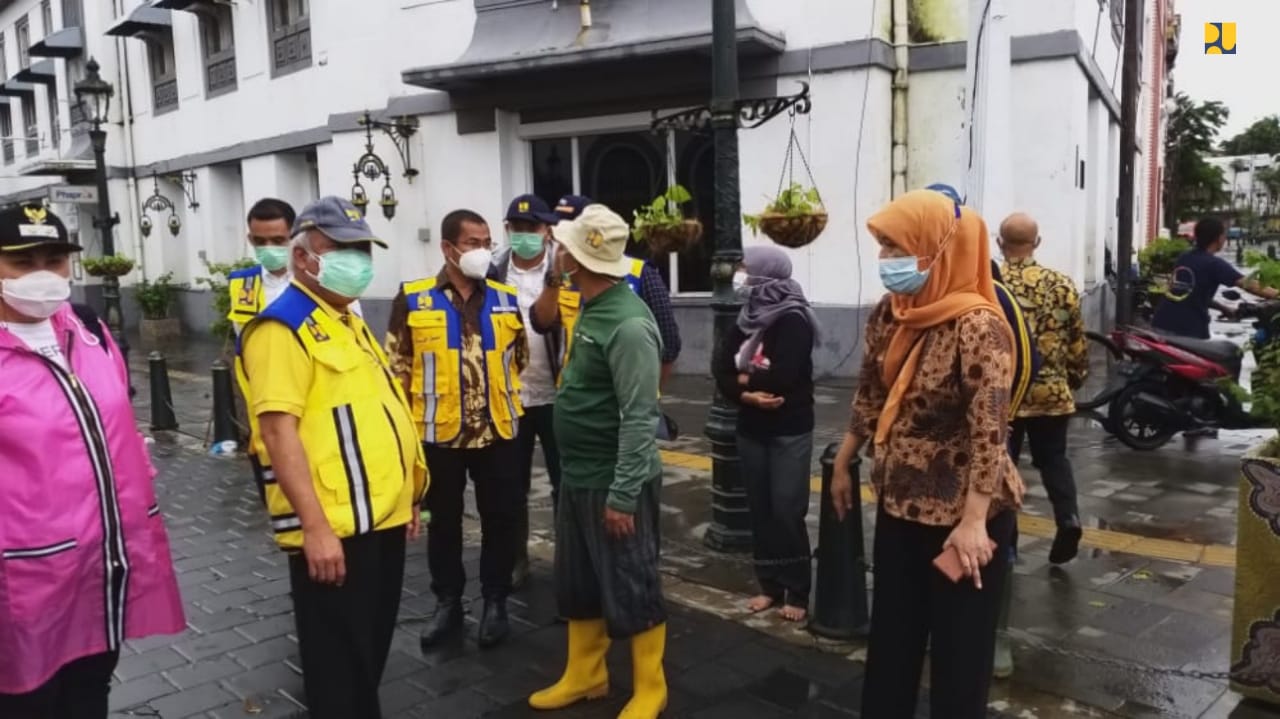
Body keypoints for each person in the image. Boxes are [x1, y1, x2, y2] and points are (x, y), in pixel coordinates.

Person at [830, 190, 1024, 718]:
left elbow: (990, 430)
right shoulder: (892, 313)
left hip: (963, 520)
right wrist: (845, 461)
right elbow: (870, 393)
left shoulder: (978, 326)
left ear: (937, 248)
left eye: (897, 247)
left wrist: (974, 521)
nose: (885, 259)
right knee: (892, 644)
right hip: (900, 504)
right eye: (884, 246)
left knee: (960, 660)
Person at [237, 196, 426, 718]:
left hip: (379, 518)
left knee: (367, 655)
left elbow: (376, 411)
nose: (357, 261)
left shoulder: (345, 319)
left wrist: (410, 494)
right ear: (303, 258)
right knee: (338, 667)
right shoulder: (282, 327)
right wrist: (315, 528)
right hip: (336, 527)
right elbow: (277, 433)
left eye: (363, 249)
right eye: (342, 249)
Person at [0, 204, 185, 718]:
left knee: (89, 693)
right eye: (23, 262)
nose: (42, 274)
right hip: (23, 582)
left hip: (100, 566)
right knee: (29, 702)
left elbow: (118, 424)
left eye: (54, 260)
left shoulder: (88, 329)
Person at [528, 204, 667, 719]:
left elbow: (640, 416)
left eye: (562, 246)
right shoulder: (593, 305)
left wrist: (623, 495)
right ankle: (586, 674)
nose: (555, 252)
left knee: (632, 581)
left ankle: (650, 688)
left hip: (614, 479)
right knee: (579, 579)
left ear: (577, 257)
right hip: (580, 474)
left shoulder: (628, 324)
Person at [386, 209, 529, 650]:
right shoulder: (414, 298)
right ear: (448, 248)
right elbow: (397, 368)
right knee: (443, 523)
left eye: (487, 242)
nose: (482, 251)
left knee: (501, 520)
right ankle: (448, 603)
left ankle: (495, 601)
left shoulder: (505, 298)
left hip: (498, 432)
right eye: (472, 243)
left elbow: (519, 359)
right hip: (437, 435)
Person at [712, 245, 817, 622]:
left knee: (787, 510)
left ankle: (797, 590)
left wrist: (743, 378)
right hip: (751, 427)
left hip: (789, 429)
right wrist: (745, 393)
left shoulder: (794, 319)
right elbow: (720, 368)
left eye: (746, 268)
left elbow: (783, 377)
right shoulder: (746, 317)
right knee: (760, 511)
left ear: (767, 272)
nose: (739, 274)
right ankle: (769, 585)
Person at [998, 213, 1086, 563]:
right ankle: (1069, 518)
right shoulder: (1061, 284)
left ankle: (1008, 543)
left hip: (1005, 393)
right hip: (1051, 393)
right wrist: (1073, 379)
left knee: (1003, 465)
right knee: (1054, 459)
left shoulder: (991, 283)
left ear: (1000, 243)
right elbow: (1076, 342)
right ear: (1037, 242)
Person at [495, 194, 564, 590]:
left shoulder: (565, 268)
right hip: (510, 397)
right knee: (510, 485)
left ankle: (568, 561)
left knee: (564, 483)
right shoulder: (493, 270)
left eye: (532, 228)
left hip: (558, 395)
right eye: (517, 228)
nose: (524, 235)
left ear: (546, 230)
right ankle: (516, 559)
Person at [543, 194, 682, 387]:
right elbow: (541, 324)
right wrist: (554, 278)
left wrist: (649, 392)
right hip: (574, 393)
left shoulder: (641, 274)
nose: (559, 243)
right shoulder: (563, 276)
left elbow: (669, 345)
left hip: (622, 397)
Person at [1152, 216, 1278, 339]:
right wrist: (1277, 294)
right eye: (1224, 235)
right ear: (1219, 238)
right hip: (1187, 330)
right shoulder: (1214, 264)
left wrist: (1223, 308)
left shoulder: (1184, 258)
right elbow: (1250, 285)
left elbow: (1190, 292)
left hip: (1161, 322)